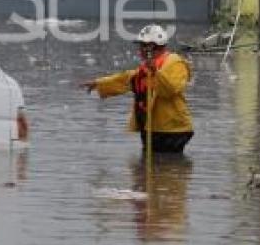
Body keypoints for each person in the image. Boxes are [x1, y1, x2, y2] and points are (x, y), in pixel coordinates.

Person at [82, 24, 194, 153]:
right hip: (152, 127)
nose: (140, 50)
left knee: (165, 167)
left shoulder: (175, 62)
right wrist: (99, 83)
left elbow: (170, 90)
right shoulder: (147, 67)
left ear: (152, 47)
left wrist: (155, 72)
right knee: (150, 168)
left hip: (172, 129)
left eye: (142, 46)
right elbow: (127, 79)